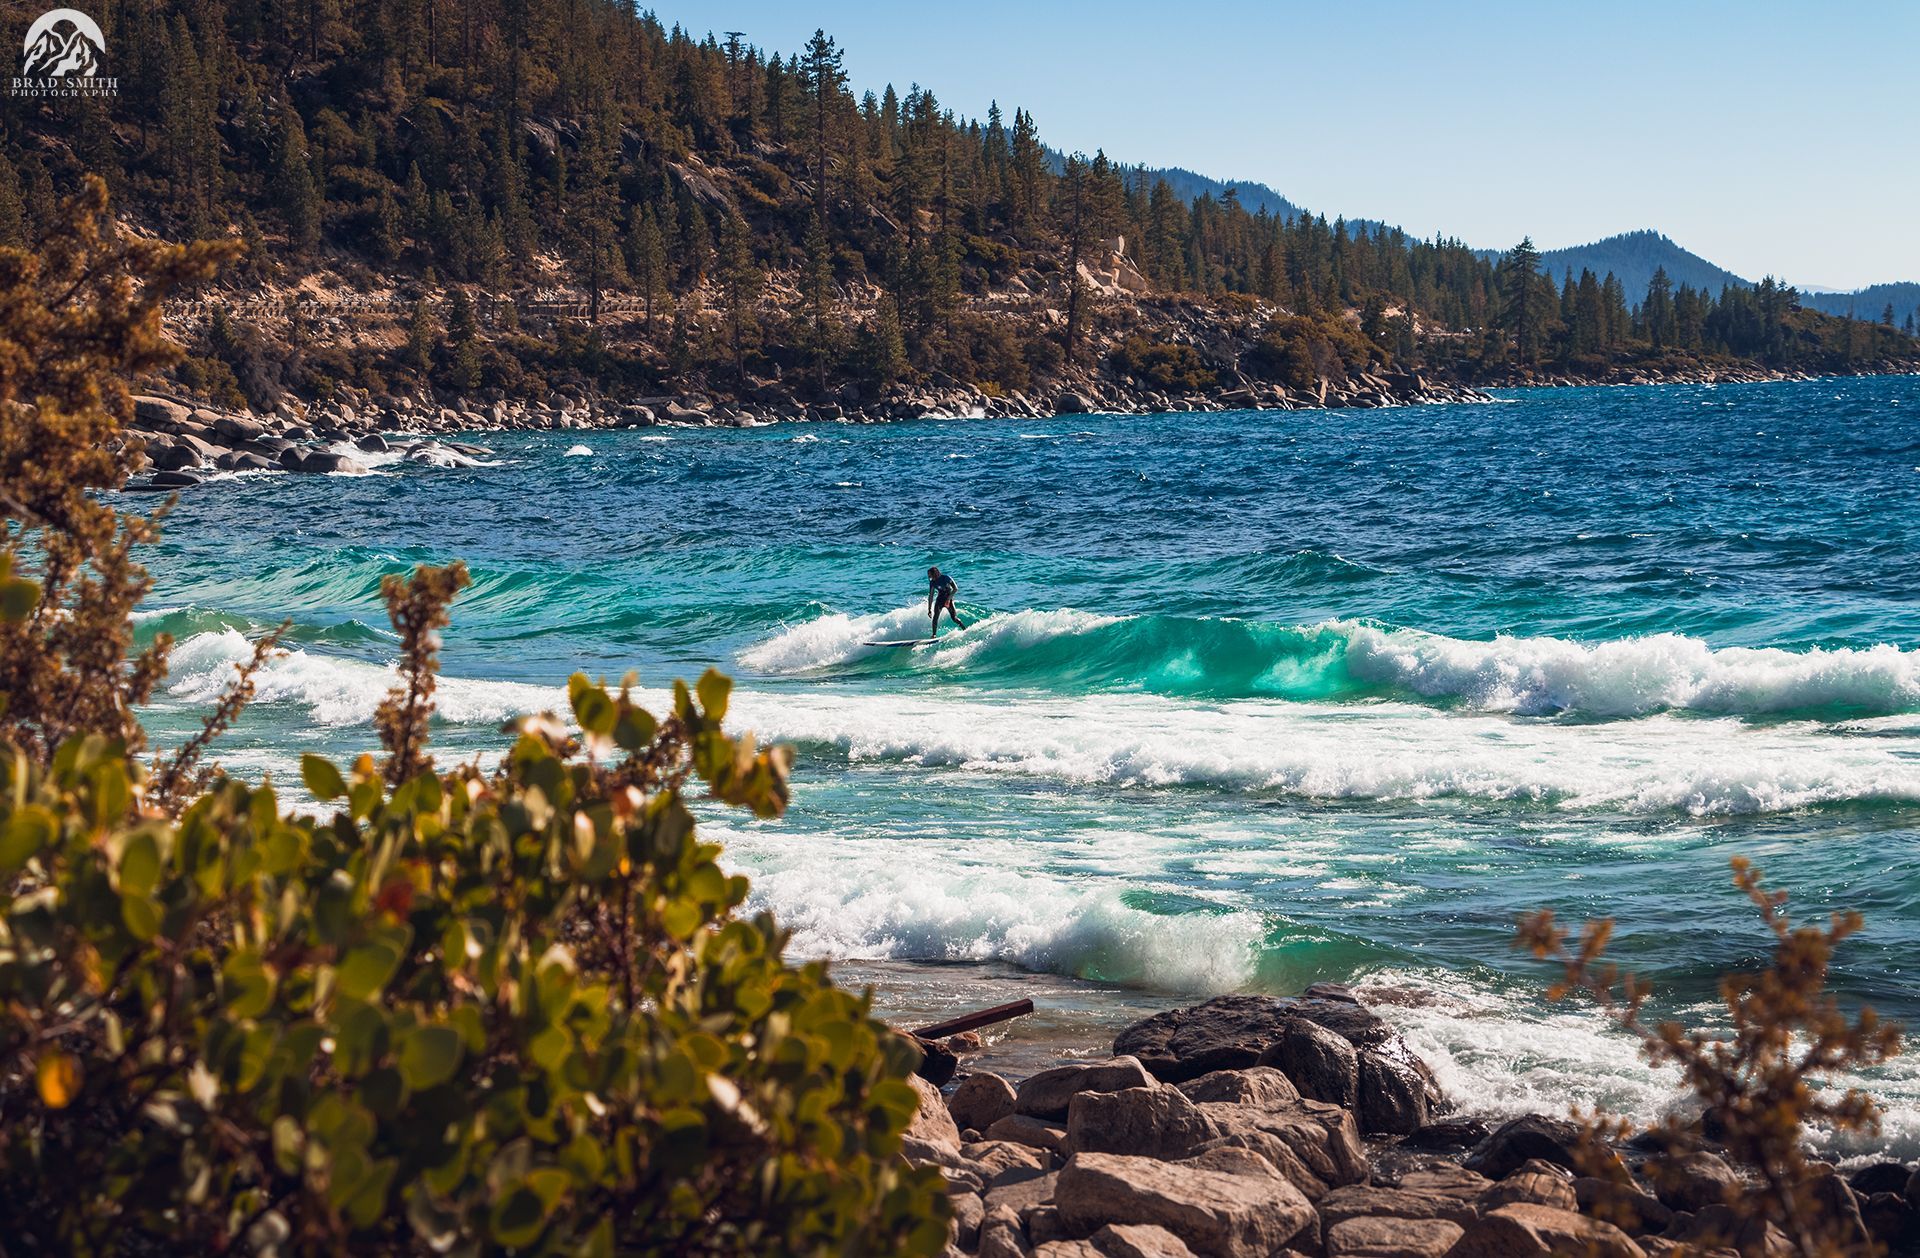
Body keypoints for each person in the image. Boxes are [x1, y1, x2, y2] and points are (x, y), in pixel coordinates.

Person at [926, 566, 967, 636]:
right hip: (940, 599)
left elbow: (955, 589)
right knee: (935, 617)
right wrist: (929, 609)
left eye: (930, 574)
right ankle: (934, 635)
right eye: (928, 575)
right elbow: (931, 596)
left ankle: (965, 630)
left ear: (934, 573)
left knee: (954, 618)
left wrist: (948, 599)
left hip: (948, 597)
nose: (929, 576)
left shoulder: (946, 578)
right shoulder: (932, 582)